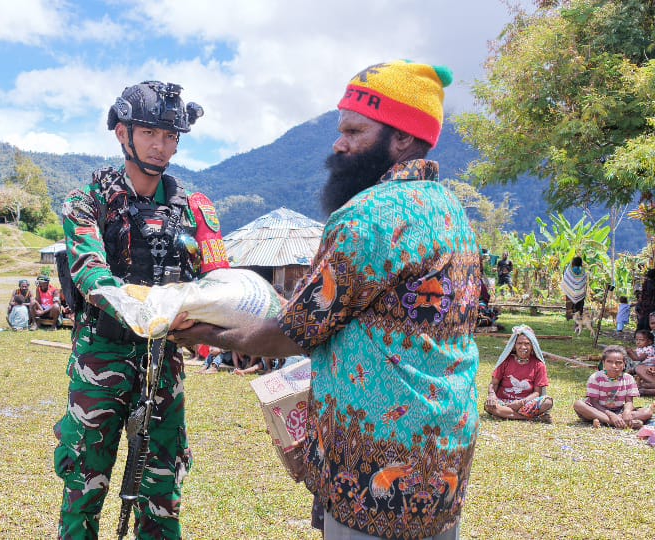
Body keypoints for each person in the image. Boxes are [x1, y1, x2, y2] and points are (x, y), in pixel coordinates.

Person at [174, 60, 479, 539]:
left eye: (355, 131)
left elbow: (291, 332)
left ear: (402, 137)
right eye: (342, 131)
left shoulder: (369, 216)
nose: (339, 143)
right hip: (445, 452)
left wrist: (201, 331)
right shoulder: (451, 211)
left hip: (377, 459)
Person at [54, 80, 229, 539]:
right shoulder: (87, 202)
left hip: (164, 361)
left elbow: (218, 281)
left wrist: (219, 326)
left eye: (170, 136)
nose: (161, 146)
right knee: (84, 484)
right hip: (102, 357)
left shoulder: (194, 210)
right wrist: (150, 306)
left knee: (163, 492)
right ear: (122, 133)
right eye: (149, 132)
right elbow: (91, 275)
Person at [484, 326, 554, 422]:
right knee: (489, 405)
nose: (523, 347)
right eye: (519, 343)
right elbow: (494, 383)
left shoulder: (538, 365)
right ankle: (531, 418)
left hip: (525, 403)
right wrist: (492, 395)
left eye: (527, 344)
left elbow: (537, 393)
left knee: (547, 402)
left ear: (533, 346)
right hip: (504, 402)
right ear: (514, 345)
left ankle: (504, 414)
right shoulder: (506, 361)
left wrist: (520, 403)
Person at [574, 345, 652, 429]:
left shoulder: (628, 378)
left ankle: (609, 421)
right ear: (603, 363)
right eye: (609, 362)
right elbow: (594, 403)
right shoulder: (595, 378)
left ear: (624, 364)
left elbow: (629, 401)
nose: (614, 366)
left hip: (619, 411)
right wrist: (611, 415)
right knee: (578, 404)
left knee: (647, 412)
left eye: (618, 362)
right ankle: (615, 422)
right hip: (598, 410)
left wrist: (627, 411)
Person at [627, 329, 655, 395]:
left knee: (638, 368)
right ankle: (643, 386)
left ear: (649, 342)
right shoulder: (641, 348)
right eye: (637, 340)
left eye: (641, 340)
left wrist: (630, 352)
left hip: (648, 367)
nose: (638, 342)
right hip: (646, 368)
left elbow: (638, 359)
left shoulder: (649, 349)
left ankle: (648, 385)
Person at [561, 256, 588, 321]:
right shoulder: (583, 271)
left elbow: (566, 279)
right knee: (579, 305)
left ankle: (569, 317)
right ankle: (578, 316)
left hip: (570, 291)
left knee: (569, 304)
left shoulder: (569, 270)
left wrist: (572, 288)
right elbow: (584, 281)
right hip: (580, 292)